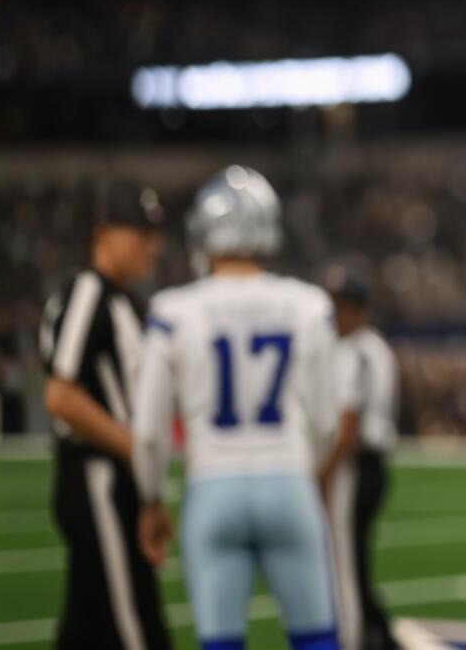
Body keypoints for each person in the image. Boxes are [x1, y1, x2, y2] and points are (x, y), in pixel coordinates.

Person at [131, 166, 342, 650]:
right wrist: (307, 473)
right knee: (316, 640)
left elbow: (148, 431)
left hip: (212, 486)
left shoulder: (172, 311)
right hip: (288, 479)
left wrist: (150, 499)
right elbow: (326, 423)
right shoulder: (307, 305)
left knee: (220, 643)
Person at [38, 183, 172, 650]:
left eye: (153, 233)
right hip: (97, 478)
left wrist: (149, 491)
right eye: (138, 232)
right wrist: (136, 452)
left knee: (86, 628)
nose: (150, 244)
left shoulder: (122, 302)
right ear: (103, 233)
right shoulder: (88, 291)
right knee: (134, 625)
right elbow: (60, 396)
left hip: (116, 480)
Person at [319, 269, 400, 650]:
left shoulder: (353, 350)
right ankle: (377, 632)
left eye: (340, 308)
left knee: (346, 564)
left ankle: (360, 637)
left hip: (359, 463)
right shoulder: (377, 346)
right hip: (374, 461)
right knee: (354, 562)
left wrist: (324, 474)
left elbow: (347, 426)